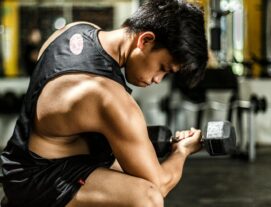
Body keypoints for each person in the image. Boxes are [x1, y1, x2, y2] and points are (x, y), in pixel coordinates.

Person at [0, 0, 208, 206]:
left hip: (18, 161)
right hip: (35, 181)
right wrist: (182, 151)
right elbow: (160, 184)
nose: (157, 79)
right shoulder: (108, 98)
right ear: (145, 40)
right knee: (147, 197)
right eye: (163, 68)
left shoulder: (75, 30)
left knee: (128, 170)